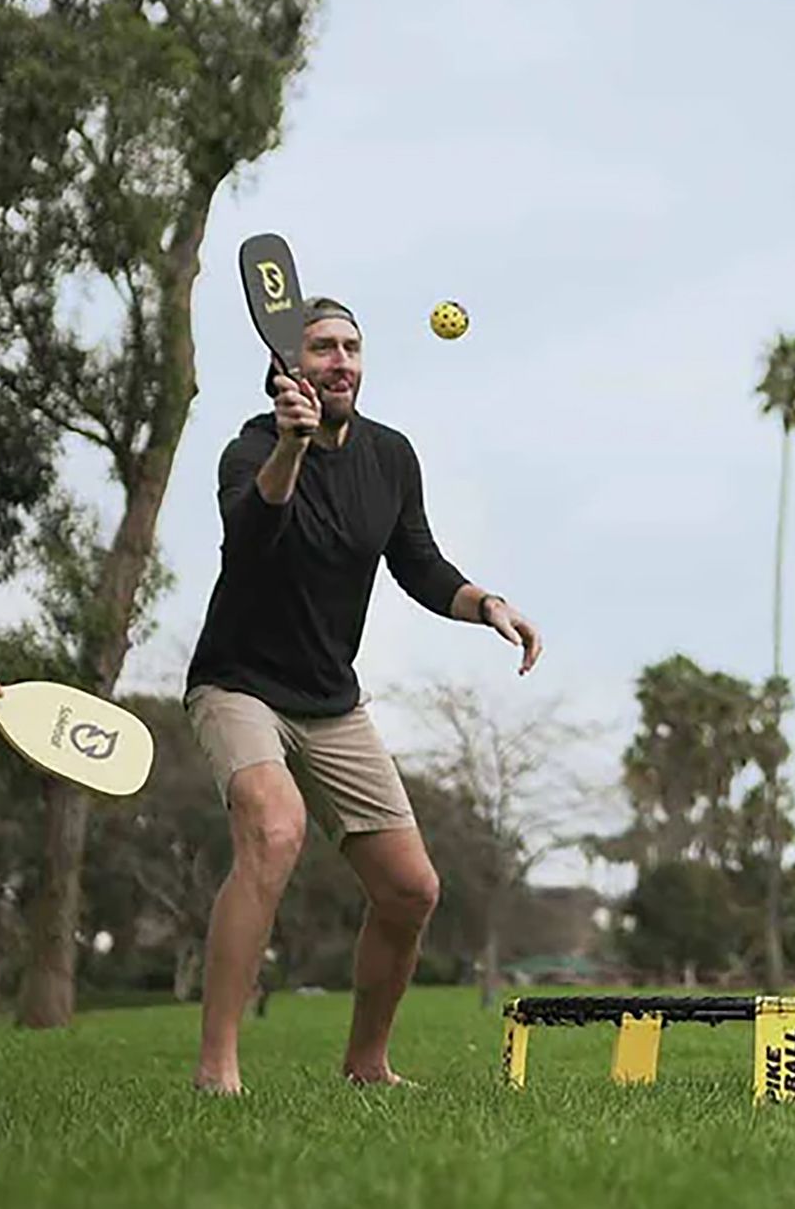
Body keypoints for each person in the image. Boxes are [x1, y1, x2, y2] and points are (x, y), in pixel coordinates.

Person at [184, 293, 542, 1094]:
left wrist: (487, 605)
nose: (339, 360)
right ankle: (217, 1068)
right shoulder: (249, 453)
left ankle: (367, 1065)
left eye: (350, 347)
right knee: (275, 833)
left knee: (411, 889)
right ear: (287, 367)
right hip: (239, 685)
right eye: (321, 347)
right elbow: (251, 542)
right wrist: (291, 448)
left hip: (331, 699)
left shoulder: (390, 456)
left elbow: (417, 563)